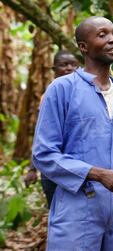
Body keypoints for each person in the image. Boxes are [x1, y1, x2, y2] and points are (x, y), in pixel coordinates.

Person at [32, 16, 113, 250]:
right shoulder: (62, 89)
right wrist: (97, 174)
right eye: (102, 34)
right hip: (77, 208)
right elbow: (44, 154)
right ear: (83, 47)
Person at [25, 50, 79, 208]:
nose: (69, 68)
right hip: (53, 166)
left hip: (78, 165)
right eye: (64, 65)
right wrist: (32, 168)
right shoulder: (49, 96)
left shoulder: (86, 92)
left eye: (73, 64)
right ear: (54, 69)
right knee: (57, 211)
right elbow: (41, 134)